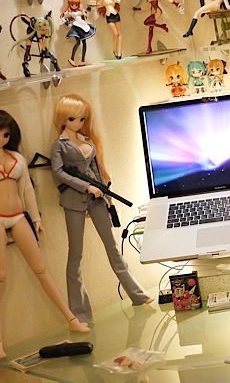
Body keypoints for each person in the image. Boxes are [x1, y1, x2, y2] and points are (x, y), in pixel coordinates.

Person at [0, 110, 89, 360]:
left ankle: (71, 319)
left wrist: (37, 219)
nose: (1, 138)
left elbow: (28, 189)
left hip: (18, 215)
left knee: (41, 269)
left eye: (5, 134)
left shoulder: (17, 158)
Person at [51, 95, 153, 325]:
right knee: (75, 254)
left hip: (97, 198)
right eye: (73, 118)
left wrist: (106, 195)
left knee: (113, 247)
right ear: (63, 119)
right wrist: (85, 186)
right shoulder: (59, 145)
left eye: (82, 118)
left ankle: (136, 294)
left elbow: (96, 170)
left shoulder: (86, 140)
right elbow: (58, 173)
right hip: (74, 200)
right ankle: (80, 313)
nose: (78, 123)